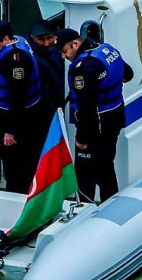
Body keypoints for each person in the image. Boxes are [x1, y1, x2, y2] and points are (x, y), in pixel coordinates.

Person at [54, 28, 134, 203]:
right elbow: (128, 74)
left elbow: (86, 107)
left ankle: (84, 207)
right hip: (115, 116)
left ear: (75, 44)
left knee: (85, 173)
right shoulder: (106, 50)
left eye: (65, 51)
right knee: (106, 164)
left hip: (96, 125)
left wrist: (82, 138)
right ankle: (112, 202)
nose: (63, 57)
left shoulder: (82, 68)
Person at [0, 20, 51, 194]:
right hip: (7, 114)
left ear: (5, 39)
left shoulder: (16, 61)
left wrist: (10, 131)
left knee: (16, 165)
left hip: (19, 120)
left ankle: (18, 195)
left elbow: (18, 97)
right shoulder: (14, 42)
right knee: (10, 162)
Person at [27, 20, 65, 110]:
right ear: (32, 38)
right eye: (41, 39)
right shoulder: (32, 58)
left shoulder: (56, 51)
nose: (46, 43)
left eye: (49, 38)